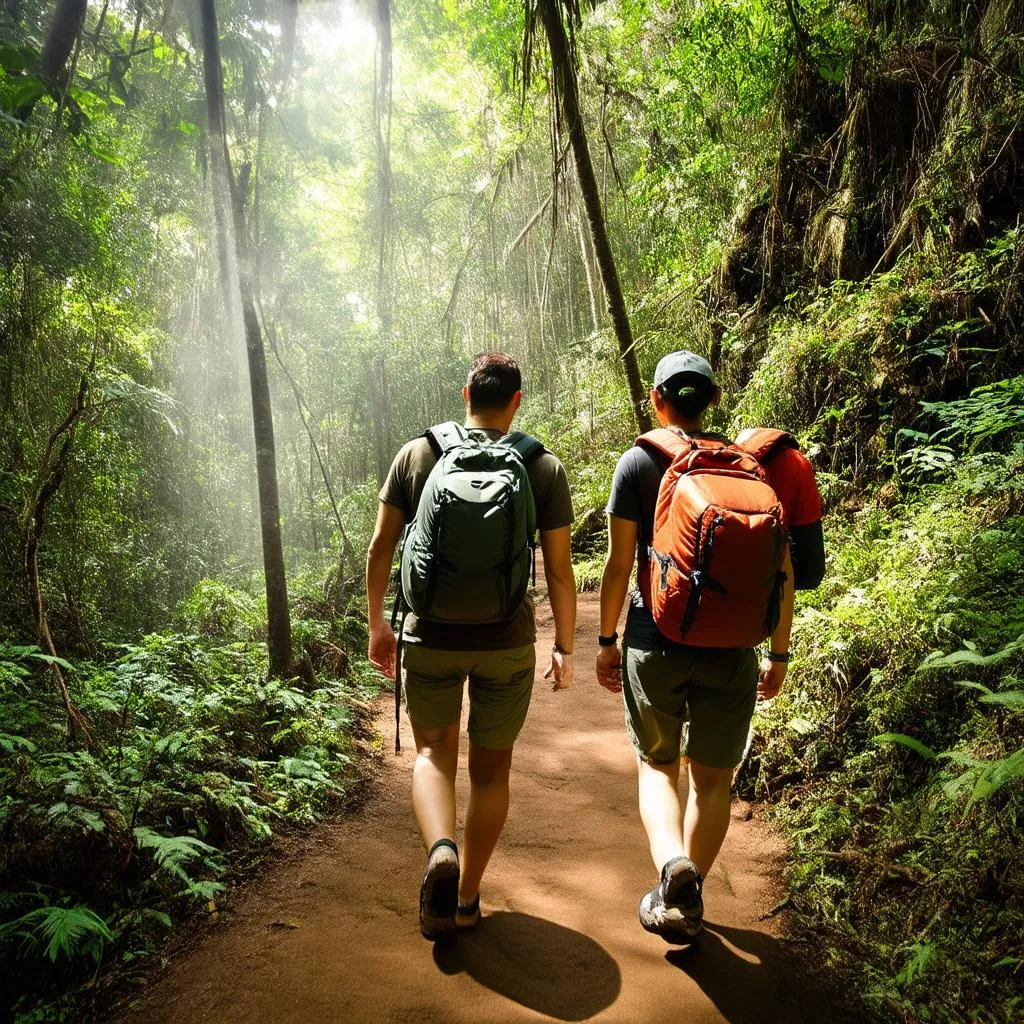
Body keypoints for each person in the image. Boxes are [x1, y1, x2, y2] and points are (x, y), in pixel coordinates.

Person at [595, 350, 823, 944]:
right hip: (736, 647)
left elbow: (620, 565)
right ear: (714, 401)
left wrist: (604, 640)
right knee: (714, 780)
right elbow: (783, 571)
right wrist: (778, 651)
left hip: (656, 638)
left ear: (656, 399)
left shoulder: (639, 462)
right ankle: (690, 903)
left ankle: (672, 868)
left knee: (658, 767)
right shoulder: (749, 467)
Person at [366, 352, 576, 940]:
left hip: (428, 634)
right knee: (491, 771)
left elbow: (382, 546)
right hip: (506, 642)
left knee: (433, 754)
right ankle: (465, 898)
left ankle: (440, 848)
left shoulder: (418, 454)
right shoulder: (541, 466)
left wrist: (377, 625)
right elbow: (560, 573)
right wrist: (565, 644)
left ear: (465, 394)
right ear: (516, 401)